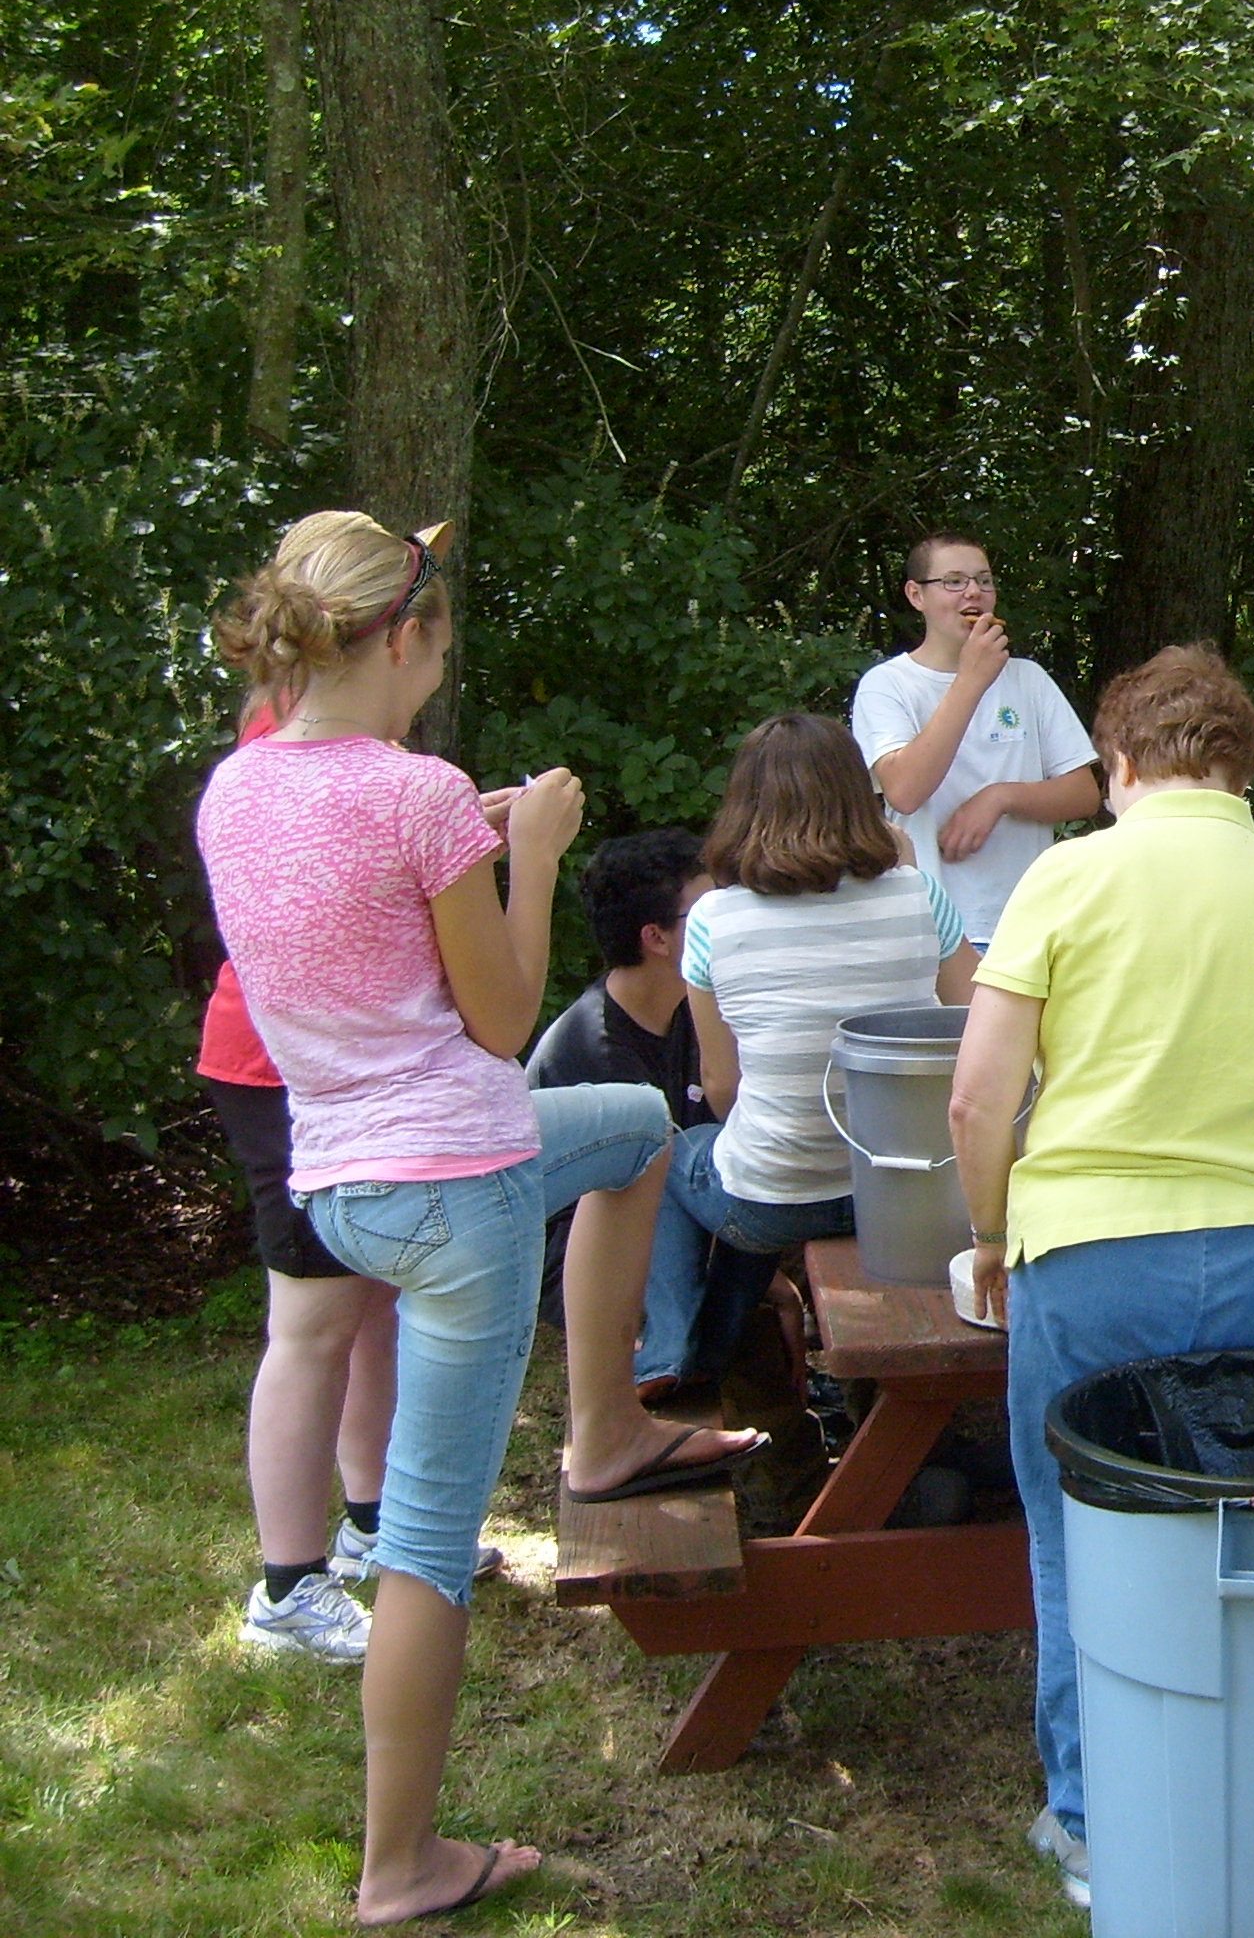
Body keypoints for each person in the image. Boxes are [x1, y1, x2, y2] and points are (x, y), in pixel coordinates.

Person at [197, 510, 762, 1927]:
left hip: (338, 1185)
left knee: (637, 1128)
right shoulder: (419, 793)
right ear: (406, 637)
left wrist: (476, 831)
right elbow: (506, 1015)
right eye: (438, 644)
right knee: (433, 1552)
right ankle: (402, 1868)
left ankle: (606, 1427)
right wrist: (539, 849)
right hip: (459, 1191)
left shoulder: (236, 790)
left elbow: (356, 910)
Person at [950, 646, 1254, 1915]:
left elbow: (976, 1096)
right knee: (1241, 1529)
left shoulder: (1067, 874)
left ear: (1118, 762)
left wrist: (985, 1234)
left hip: (1088, 1246)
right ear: (1236, 762)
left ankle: (1093, 1822)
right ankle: (1238, 1781)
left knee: (1080, 1535)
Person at [671, 715, 980, 1387]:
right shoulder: (920, 895)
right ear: (855, 795)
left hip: (774, 1197)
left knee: (669, 1159)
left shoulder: (712, 921)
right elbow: (974, 1033)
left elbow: (720, 1085)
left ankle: (685, 1359)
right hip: (911, 1192)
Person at [198, 755, 401, 1662]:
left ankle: (371, 1524)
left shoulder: (361, 744)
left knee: (371, 1306)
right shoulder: (285, 741)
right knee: (313, 1325)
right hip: (277, 1068)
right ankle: (286, 1587)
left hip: (341, 1068)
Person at [526, 829, 715, 1400]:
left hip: (661, 1239)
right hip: (584, 1267)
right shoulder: (593, 1050)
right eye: (705, 912)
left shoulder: (692, 1007)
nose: (724, 920)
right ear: (656, 938)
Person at [849, 532, 1101, 944]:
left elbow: (1083, 794)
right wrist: (971, 681)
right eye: (953, 581)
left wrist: (1000, 797)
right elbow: (905, 792)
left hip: (1026, 923)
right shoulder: (888, 685)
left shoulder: (1028, 679)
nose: (974, 593)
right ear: (916, 595)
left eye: (984, 581)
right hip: (933, 926)